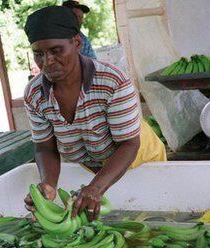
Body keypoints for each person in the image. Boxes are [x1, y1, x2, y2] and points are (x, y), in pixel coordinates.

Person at [23, 6, 166, 221]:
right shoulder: (35, 94)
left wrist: (96, 188)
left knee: (155, 216)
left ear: (77, 43)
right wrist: (49, 185)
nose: (47, 62)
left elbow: (129, 145)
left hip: (139, 159)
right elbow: (45, 147)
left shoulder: (112, 82)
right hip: (93, 170)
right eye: (39, 54)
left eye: (56, 50)